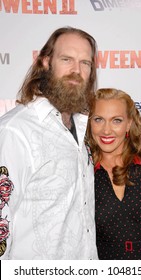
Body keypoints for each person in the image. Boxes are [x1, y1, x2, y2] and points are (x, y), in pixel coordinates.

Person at [0, 26, 98, 260]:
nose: (77, 71)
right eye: (67, 59)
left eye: (85, 63)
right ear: (45, 62)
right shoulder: (15, 131)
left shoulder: (81, 129)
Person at [86, 88, 141, 260]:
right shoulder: (83, 173)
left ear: (129, 123)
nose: (106, 130)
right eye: (98, 120)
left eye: (116, 121)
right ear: (89, 123)